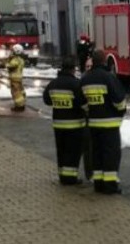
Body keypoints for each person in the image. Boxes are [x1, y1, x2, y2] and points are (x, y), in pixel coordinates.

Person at [80, 48, 127, 194]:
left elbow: (82, 102)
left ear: (92, 61)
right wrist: (121, 111)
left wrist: (91, 110)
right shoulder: (109, 77)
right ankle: (110, 185)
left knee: (97, 153)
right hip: (110, 123)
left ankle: (98, 183)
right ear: (104, 60)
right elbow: (119, 100)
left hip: (93, 123)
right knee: (111, 154)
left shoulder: (85, 78)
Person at [42, 56, 88, 185]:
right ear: (73, 69)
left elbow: (46, 100)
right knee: (73, 152)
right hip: (75, 125)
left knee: (61, 151)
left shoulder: (53, 83)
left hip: (58, 125)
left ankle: (62, 176)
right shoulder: (76, 84)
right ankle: (71, 178)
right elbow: (83, 103)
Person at [6, 44, 26, 112]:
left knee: (16, 93)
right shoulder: (21, 59)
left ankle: (19, 106)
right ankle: (21, 104)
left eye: (13, 51)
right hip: (18, 78)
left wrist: (8, 59)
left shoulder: (15, 59)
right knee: (20, 92)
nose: (11, 52)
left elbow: (10, 66)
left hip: (14, 78)